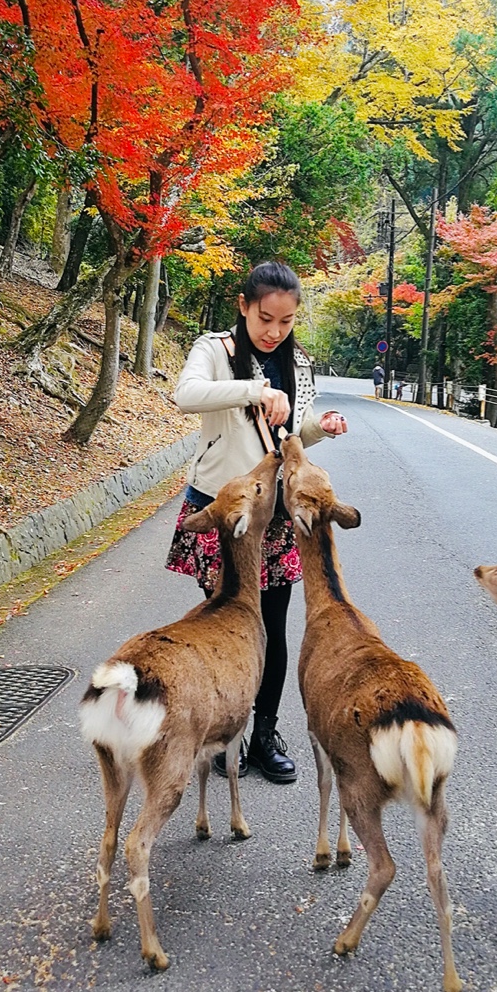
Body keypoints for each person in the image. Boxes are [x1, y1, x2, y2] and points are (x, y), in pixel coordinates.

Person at [168, 261, 349, 784]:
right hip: (224, 510)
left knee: (271, 626)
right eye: (265, 318)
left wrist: (319, 427)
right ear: (244, 306)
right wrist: (253, 388)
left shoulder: (299, 363)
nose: (274, 331)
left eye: (286, 322)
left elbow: (290, 436)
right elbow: (185, 395)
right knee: (223, 625)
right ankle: (227, 734)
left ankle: (264, 733)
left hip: (273, 518)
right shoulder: (214, 350)